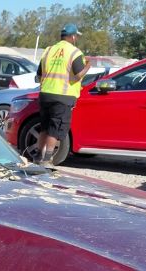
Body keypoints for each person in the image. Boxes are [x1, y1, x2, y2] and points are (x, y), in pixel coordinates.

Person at [34, 24, 90, 165]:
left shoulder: (48, 50)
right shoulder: (74, 52)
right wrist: (88, 66)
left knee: (45, 127)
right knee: (55, 128)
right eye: (76, 36)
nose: (76, 38)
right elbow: (77, 76)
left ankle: (38, 156)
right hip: (63, 96)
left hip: (45, 94)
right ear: (72, 37)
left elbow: (39, 74)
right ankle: (47, 159)